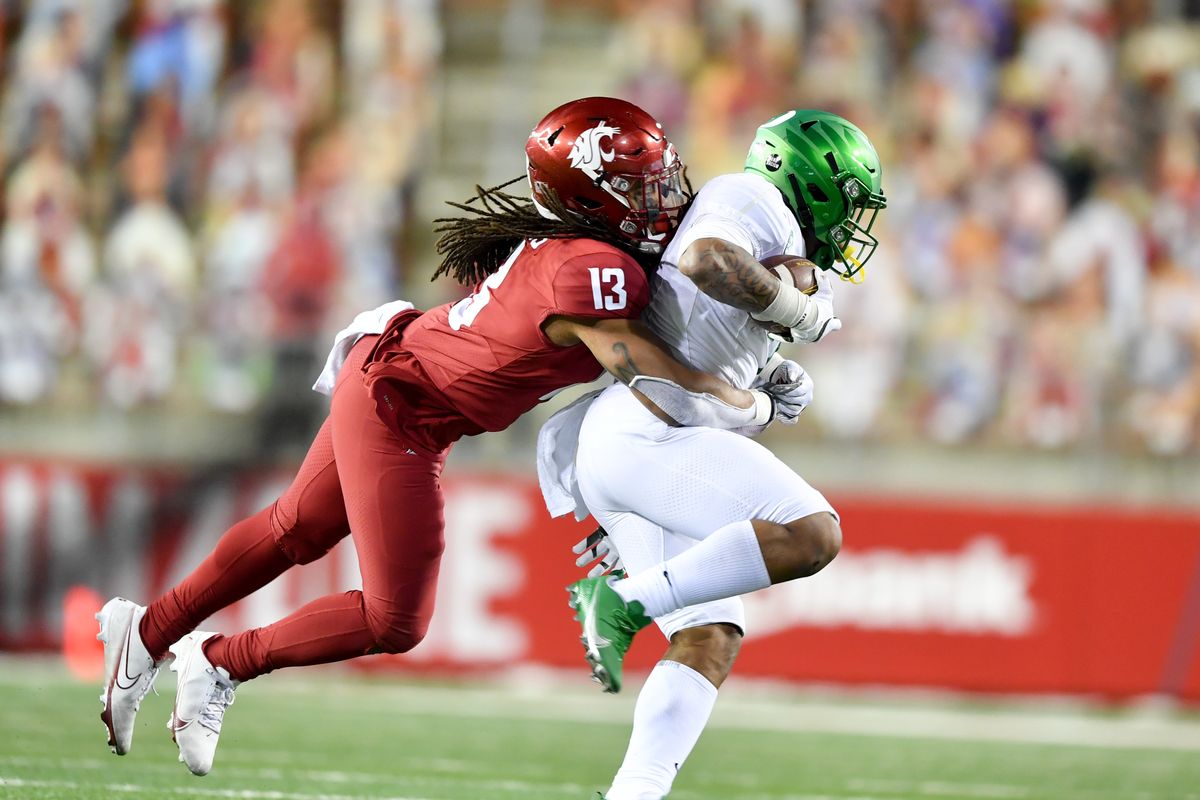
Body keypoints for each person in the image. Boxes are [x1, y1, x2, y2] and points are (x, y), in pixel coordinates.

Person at [94, 97, 812, 776]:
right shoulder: (600, 270)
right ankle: (221, 660)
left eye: (664, 175)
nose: (668, 194)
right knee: (395, 617)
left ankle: (147, 633)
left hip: (394, 373)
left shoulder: (589, 252)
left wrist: (766, 344)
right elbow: (644, 374)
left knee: (296, 527)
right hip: (401, 407)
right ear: (597, 202)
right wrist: (747, 398)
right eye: (645, 185)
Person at [544, 109, 886, 800]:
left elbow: (701, 353)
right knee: (813, 533)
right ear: (812, 181)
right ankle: (620, 603)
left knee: (710, 637)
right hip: (646, 433)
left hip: (639, 440)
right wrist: (794, 311)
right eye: (848, 203)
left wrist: (760, 382)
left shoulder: (764, 225)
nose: (852, 227)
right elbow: (707, 262)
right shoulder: (753, 198)